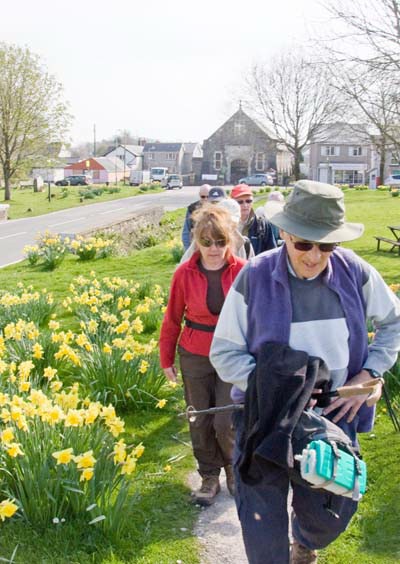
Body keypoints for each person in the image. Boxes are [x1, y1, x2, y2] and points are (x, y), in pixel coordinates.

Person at [210, 180, 400, 563]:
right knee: (262, 529)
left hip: (333, 417)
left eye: (326, 245)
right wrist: (275, 387)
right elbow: (224, 351)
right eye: (303, 244)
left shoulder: (356, 273)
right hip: (265, 417)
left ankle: (306, 541)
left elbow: (394, 323)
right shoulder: (254, 276)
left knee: (330, 513)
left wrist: (368, 374)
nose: (314, 256)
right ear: (284, 232)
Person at [160, 205, 247, 506]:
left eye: (220, 241)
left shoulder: (241, 272)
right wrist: (166, 358)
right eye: (207, 241)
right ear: (196, 241)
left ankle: (234, 470)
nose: (214, 249)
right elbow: (172, 318)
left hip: (231, 354)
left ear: (229, 241)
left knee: (225, 421)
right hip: (195, 352)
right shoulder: (184, 273)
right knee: (198, 419)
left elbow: (255, 317)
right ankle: (209, 476)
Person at [180, 198, 254, 263]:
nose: (230, 225)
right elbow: (184, 271)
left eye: (233, 222)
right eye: (226, 221)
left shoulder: (244, 244)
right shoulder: (201, 242)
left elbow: (251, 273)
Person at [230, 183, 277, 255]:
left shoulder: (263, 225)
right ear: (232, 202)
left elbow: (272, 254)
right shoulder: (224, 224)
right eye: (240, 202)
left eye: (248, 201)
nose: (245, 205)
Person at [181, 184, 211, 250]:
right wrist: (188, 250)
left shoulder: (217, 208)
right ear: (199, 195)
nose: (205, 199)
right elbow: (186, 232)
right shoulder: (192, 209)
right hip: (195, 248)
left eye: (208, 197)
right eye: (203, 197)